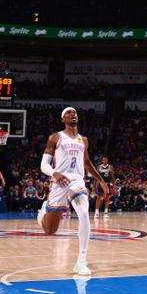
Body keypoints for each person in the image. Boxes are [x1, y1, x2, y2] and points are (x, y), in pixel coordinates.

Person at [36, 107, 108, 276]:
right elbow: (43, 165)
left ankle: (81, 261)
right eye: (68, 113)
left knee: (84, 214)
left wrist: (101, 181)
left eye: (74, 113)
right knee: (50, 230)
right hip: (59, 182)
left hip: (77, 181)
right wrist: (55, 173)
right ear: (63, 119)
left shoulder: (83, 140)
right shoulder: (55, 137)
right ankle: (43, 213)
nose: (72, 115)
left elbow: (87, 163)